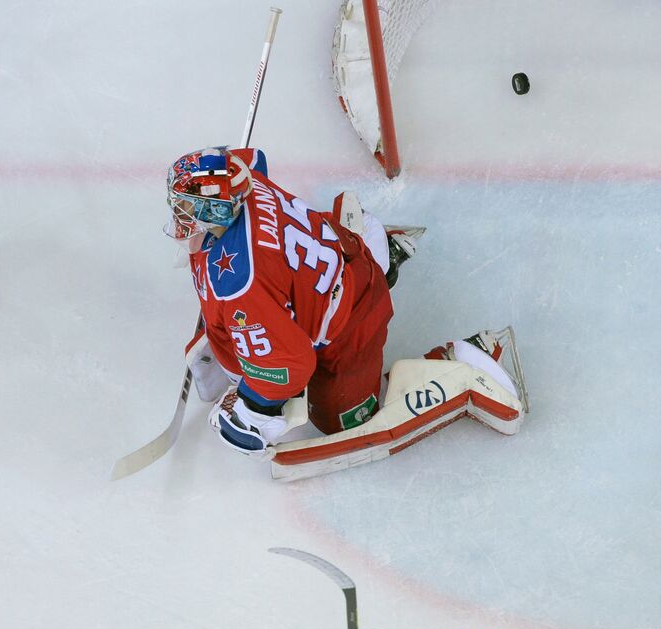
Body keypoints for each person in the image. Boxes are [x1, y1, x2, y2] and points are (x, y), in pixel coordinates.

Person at [164, 145, 518, 462]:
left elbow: (288, 364)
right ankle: (371, 245)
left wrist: (252, 411)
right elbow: (253, 157)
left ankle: (463, 361)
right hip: (336, 251)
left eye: (187, 210)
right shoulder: (243, 177)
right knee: (277, 297)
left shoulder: (240, 283)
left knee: (341, 420)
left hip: (352, 319)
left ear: (217, 211)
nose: (179, 219)